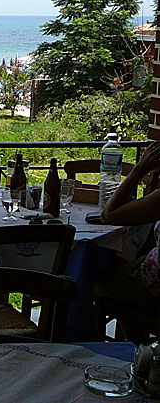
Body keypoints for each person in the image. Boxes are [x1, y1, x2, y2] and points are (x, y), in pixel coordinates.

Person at [96, 141, 160, 337]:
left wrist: (140, 168)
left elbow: (109, 214)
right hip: (149, 266)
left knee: (96, 277)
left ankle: (134, 349)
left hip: (154, 284)